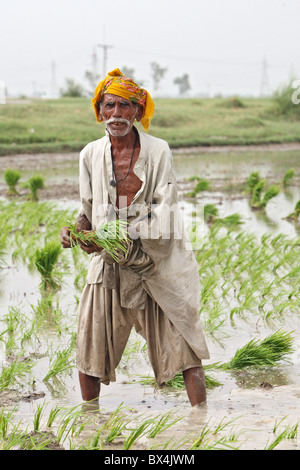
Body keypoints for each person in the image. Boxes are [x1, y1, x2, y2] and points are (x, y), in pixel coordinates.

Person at [60, 68, 209, 407]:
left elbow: (165, 211)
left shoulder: (158, 151)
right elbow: (88, 209)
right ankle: (90, 419)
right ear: (99, 112)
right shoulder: (89, 155)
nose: (116, 114)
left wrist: (117, 235)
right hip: (109, 263)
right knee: (89, 344)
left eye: (125, 106)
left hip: (156, 262)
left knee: (184, 344)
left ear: (139, 112)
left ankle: (200, 422)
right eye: (109, 106)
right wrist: (78, 232)